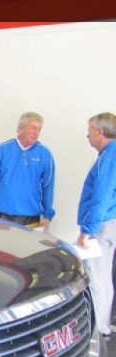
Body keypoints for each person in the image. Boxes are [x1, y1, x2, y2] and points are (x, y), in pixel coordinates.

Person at [0, 112, 55, 228]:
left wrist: (48, 214)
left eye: (39, 129)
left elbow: (48, 186)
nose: (36, 132)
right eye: (33, 128)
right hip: (1, 214)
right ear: (20, 128)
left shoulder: (45, 155)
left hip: (31, 216)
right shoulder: (2, 150)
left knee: (26, 246)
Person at [77, 112, 116, 339]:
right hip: (108, 223)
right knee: (103, 275)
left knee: (96, 276)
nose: (87, 135)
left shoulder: (109, 157)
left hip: (101, 226)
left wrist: (87, 231)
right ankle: (102, 325)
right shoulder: (109, 155)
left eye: (90, 130)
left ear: (100, 132)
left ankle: (96, 331)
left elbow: (101, 196)